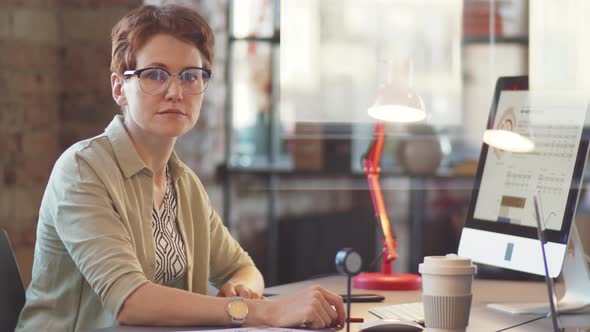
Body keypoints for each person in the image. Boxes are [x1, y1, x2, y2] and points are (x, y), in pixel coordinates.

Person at [16, 4, 344, 332]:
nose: (175, 92)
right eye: (155, 74)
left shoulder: (183, 183)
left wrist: (240, 289)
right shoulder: (82, 170)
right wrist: (259, 311)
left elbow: (244, 269)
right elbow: (130, 301)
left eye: (190, 76)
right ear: (119, 88)